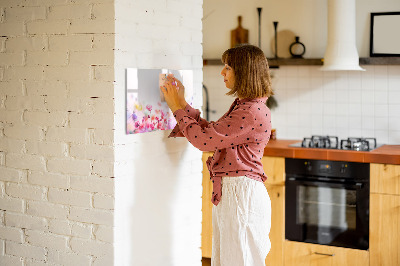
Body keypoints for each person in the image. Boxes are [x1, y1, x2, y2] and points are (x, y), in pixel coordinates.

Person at [161, 44, 273, 266]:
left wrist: (176, 107)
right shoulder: (246, 106)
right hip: (236, 193)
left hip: (241, 195)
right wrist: (182, 103)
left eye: (228, 67)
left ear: (244, 72)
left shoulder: (250, 111)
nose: (222, 72)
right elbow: (212, 133)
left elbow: (204, 141)